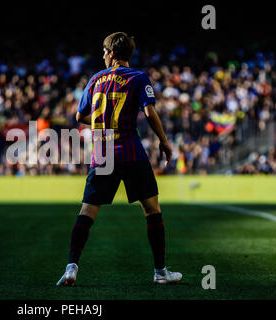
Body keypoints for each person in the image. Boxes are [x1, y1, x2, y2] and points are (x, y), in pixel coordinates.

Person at [56, 32, 182, 286]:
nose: (103, 56)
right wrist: (164, 141)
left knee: (87, 211)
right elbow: (148, 112)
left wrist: (103, 122)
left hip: (103, 153)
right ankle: (160, 272)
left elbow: (81, 116)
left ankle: (71, 268)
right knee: (152, 209)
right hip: (130, 151)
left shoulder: (95, 80)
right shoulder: (138, 77)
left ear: (112, 53)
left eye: (104, 51)